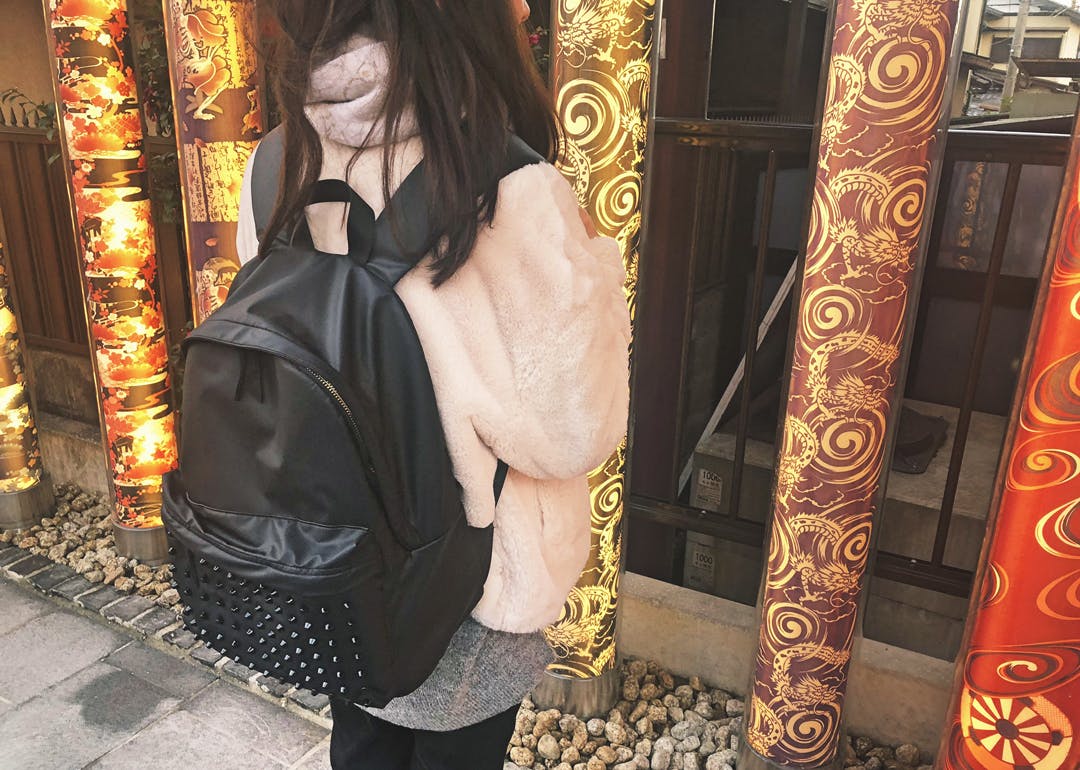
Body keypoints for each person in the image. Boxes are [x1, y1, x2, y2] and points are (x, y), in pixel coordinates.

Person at [235, 1, 631, 768]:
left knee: (361, 744)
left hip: (336, 554)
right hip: (470, 586)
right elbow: (575, 431)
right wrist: (598, 279)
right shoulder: (509, 183)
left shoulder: (276, 161)